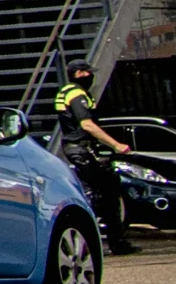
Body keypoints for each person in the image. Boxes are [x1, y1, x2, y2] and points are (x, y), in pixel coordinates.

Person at [51, 64, 135, 251]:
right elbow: (87, 125)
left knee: (105, 189)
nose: (91, 77)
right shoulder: (76, 94)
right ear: (79, 74)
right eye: (88, 72)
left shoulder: (67, 91)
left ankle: (112, 240)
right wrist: (116, 145)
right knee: (100, 194)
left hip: (76, 149)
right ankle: (103, 241)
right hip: (80, 149)